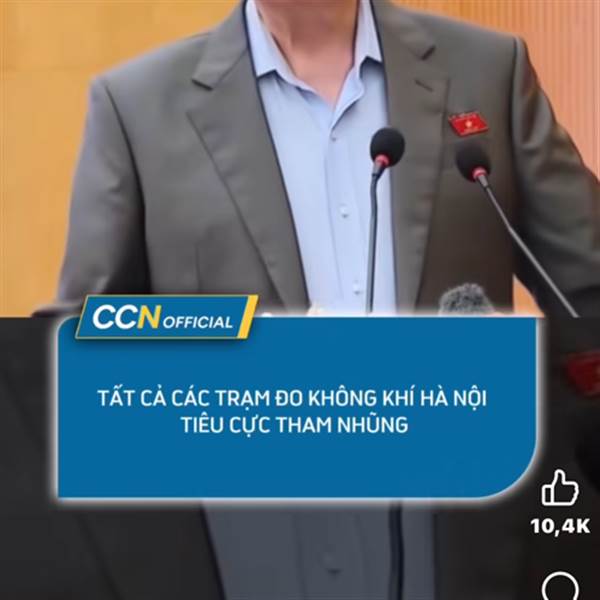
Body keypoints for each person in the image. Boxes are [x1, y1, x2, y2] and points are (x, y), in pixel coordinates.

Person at [45, 0, 600, 598]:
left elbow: (589, 294)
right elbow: (78, 352)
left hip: (469, 565)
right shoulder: (137, 105)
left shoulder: (486, 69)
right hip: (246, 566)